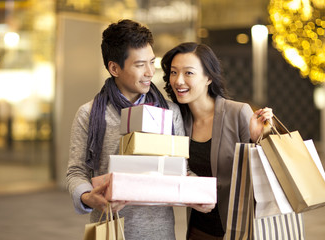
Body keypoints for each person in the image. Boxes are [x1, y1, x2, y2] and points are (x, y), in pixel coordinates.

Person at [66, 19, 185, 239]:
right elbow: (76, 171)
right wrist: (87, 197)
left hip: (160, 232)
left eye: (152, 61)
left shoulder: (169, 112)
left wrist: (199, 192)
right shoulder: (89, 114)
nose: (150, 72)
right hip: (111, 229)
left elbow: (181, 168)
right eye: (140, 65)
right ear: (114, 68)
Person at [161, 42, 273, 240]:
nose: (178, 81)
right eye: (173, 72)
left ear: (209, 78)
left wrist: (257, 139)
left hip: (242, 230)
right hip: (198, 230)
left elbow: (262, 173)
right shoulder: (176, 119)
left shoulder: (237, 112)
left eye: (188, 73)